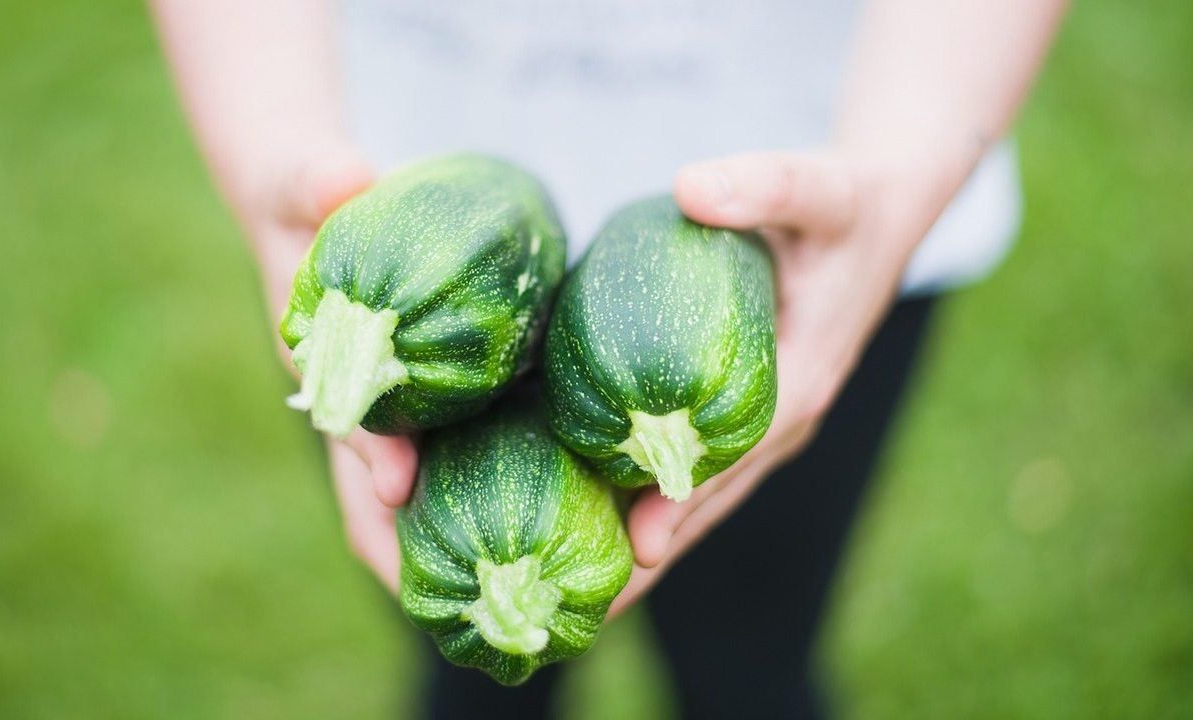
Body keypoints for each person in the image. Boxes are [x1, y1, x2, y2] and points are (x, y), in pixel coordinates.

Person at [151, 1, 1068, 716]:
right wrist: (268, 144)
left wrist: (904, 172)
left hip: (826, 221)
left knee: (749, 664)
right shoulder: (362, 286)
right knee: (473, 673)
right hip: (390, 209)